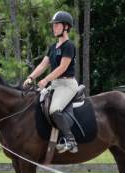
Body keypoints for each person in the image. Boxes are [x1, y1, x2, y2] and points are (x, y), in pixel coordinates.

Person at [23, 11, 79, 153]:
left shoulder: (69, 46)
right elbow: (43, 65)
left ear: (66, 27)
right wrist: (31, 77)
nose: (53, 27)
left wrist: (46, 79)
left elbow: (63, 67)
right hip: (55, 85)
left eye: (57, 25)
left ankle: (71, 141)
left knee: (54, 109)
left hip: (67, 85)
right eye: (53, 25)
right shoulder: (53, 47)